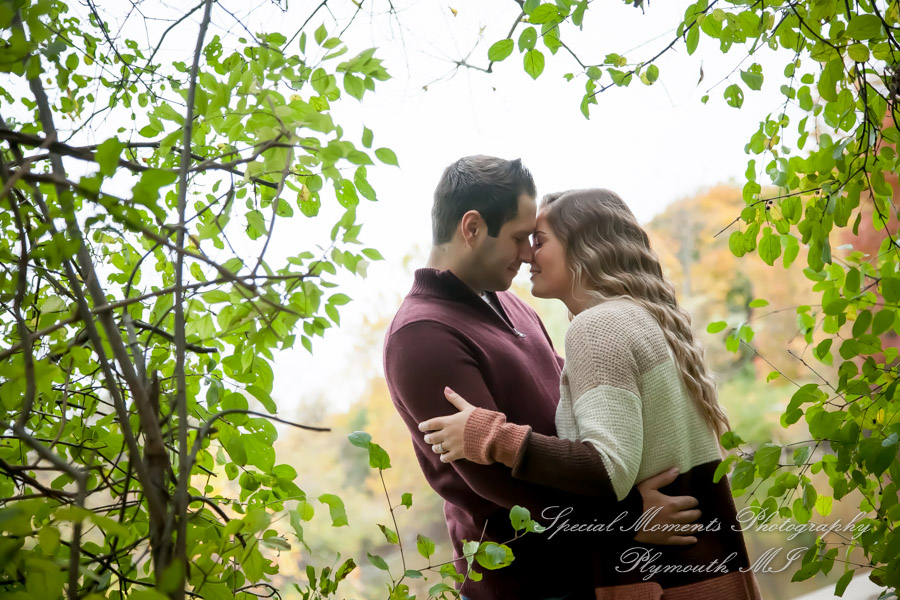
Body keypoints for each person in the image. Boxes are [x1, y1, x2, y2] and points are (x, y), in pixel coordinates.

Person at [419, 188, 763, 599]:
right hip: (709, 573)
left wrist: (489, 436)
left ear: (584, 247)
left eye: (539, 240)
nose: (528, 256)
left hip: (663, 583)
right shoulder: (644, 318)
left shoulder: (597, 328)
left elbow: (607, 470)